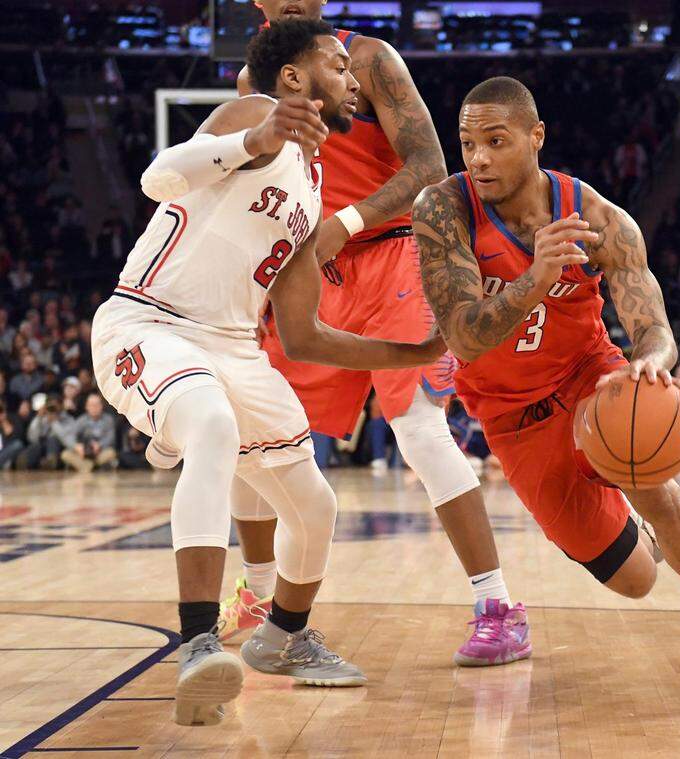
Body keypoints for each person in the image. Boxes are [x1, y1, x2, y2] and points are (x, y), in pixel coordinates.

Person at [91, 20, 444, 725]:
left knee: (314, 504)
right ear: (293, 78)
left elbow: (305, 336)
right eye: (338, 66)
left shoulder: (311, 191)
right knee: (213, 425)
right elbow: (159, 177)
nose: (352, 80)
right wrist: (255, 138)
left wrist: (415, 353)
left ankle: (282, 635)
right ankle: (199, 644)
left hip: (233, 350)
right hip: (151, 322)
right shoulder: (250, 115)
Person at [412, 77, 680, 712]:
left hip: (590, 377)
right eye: (467, 143)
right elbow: (464, 338)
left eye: (496, 141)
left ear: (536, 137)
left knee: (657, 488)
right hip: (512, 417)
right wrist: (536, 277)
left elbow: (655, 330)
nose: (477, 158)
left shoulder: (599, 219)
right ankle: (643, 535)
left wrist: (649, 367)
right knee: (635, 580)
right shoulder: (442, 209)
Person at [228, 0, 524, 668]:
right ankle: (259, 597)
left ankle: (498, 607)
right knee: (254, 433)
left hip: (395, 249)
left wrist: (349, 221)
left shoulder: (366, 59)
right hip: (311, 267)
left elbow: (430, 165)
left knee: (417, 427)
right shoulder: (252, 82)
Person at [60, 392, 118, 472]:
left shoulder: (108, 420)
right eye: (91, 405)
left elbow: (110, 437)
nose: (94, 408)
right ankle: (91, 466)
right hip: (83, 453)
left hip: (100, 452)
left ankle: (87, 466)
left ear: (101, 406)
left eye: (97, 405)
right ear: (86, 407)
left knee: (111, 453)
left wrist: (99, 445)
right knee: (65, 454)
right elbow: (70, 436)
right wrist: (76, 447)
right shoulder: (81, 420)